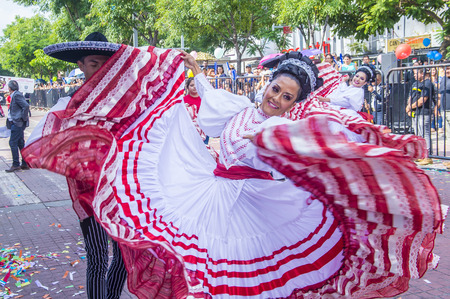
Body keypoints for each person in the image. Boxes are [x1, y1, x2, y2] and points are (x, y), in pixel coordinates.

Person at [23, 46, 443, 298]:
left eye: (286, 95)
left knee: (243, 279)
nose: (276, 97)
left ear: (295, 102)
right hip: (210, 190)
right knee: (197, 266)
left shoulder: (281, 127)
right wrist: (186, 69)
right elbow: (207, 93)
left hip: (251, 206)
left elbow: (315, 139)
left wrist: (364, 141)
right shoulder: (239, 110)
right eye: (275, 88)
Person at [24, 32, 127, 299]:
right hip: (88, 194)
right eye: (94, 63)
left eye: (107, 63)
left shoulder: (125, 100)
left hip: (121, 191)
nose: (102, 69)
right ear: (80, 65)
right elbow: (39, 140)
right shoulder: (67, 103)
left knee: (125, 256)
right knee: (97, 258)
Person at [406, 68, 433, 165]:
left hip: (424, 112)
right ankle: (421, 154)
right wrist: (409, 107)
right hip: (415, 112)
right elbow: (410, 97)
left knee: (425, 133)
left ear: (422, 73)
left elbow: (423, 99)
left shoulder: (427, 83)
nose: (414, 75)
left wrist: (410, 107)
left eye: (416, 73)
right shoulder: (414, 84)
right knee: (418, 134)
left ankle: (427, 155)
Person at [5, 80, 30, 172]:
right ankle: (24, 163)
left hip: (17, 123)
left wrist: (22, 118)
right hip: (17, 123)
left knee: (13, 143)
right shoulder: (16, 94)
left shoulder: (16, 95)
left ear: (10, 88)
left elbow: (26, 106)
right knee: (20, 143)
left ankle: (16, 164)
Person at [184, 77, 209, 144]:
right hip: (189, 129)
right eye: (191, 85)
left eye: (196, 85)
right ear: (187, 87)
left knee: (204, 148)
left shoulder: (204, 98)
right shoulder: (183, 100)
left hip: (203, 128)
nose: (194, 87)